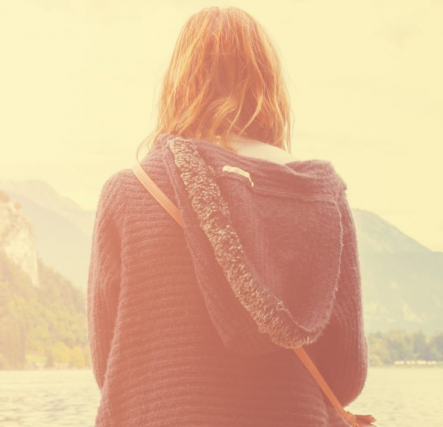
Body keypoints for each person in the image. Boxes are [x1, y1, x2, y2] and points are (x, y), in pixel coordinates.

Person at [88, 7, 368, 426]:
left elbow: (107, 364)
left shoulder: (130, 192)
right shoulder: (320, 195)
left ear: (178, 83)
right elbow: (345, 375)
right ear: (269, 86)